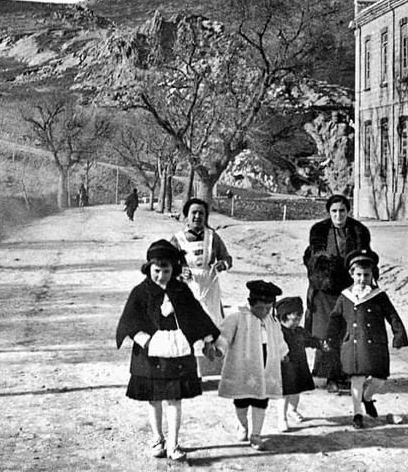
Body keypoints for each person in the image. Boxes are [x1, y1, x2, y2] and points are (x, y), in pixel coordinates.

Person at [115, 239, 220, 462]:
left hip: (177, 353)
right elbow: (129, 320)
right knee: (154, 399)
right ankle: (157, 439)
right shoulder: (140, 292)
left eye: (166, 270)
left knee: (174, 399)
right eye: (157, 270)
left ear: (174, 268)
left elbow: (196, 315)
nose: (161, 275)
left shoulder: (181, 290)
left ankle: (173, 443)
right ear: (148, 269)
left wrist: (208, 339)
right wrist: (144, 340)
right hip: (149, 354)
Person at [324, 249, 408, 429]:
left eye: (367, 275)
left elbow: (392, 315)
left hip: (375, 342)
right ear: (351, 274)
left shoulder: (378, 295)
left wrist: (399, 333)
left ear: (372, 275)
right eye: (359, 275)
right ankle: (357, 413)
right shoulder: (345, 296)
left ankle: (367, 397)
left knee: (379, 378)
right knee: (357, 377)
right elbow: (335, 319)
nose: (362, 279)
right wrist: (330, 338)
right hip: (353, 343)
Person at [303, 194, 373, 392]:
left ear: (348, 211)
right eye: (334, 211)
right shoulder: (319, 231)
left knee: (348, 331)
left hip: (350, 289)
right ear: (329, 212)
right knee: (328, 331)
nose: (338, 215)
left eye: (342, 210)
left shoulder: (359, 231)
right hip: (325, 289)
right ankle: (331, 376)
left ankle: (347, 374)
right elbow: (314, 260)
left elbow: (365, 258)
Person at [215, 280, 288, 452]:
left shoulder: (272, 321)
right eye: (260, 308)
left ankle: (256, 434)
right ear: (250, 302)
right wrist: (220, 348)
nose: (263, 312)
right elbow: (225, 334)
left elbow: (278, 340)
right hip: (243, 365)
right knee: (241, 400)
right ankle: (242, 425)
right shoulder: (237, 316)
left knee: (261, 400)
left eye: (267, 308)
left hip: (265, 365)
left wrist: (284, 353)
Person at [171, 198, 232, 375]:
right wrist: (179, 271)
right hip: (188, 286)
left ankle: (211, 369)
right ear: (187, 216)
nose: (197, 216)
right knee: (188, 324)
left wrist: (222, 265)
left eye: (201, 213)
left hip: (209, 285)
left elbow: (227, 259)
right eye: (194, 213)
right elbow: (167, 263)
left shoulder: (213, 237)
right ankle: (190, 371)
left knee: (212, 321)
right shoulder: (178, 239)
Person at [275, 296, 321, 432]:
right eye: (293, 319)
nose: (296, 322)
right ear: (282, 318)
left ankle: (292, 410)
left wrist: (320, 344)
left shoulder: (300, 331)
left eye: (298, 319)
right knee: (284, 394)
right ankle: (281, 418)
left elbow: (311, 340)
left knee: (296, 391)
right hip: (285, 367)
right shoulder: (278, 333)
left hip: (299, 365)